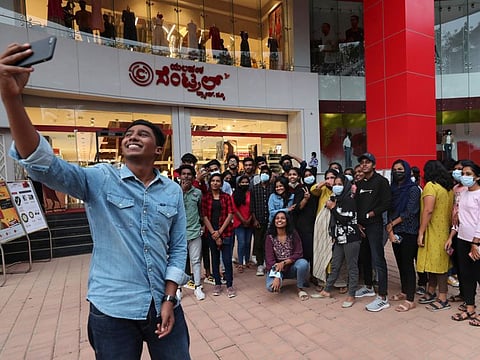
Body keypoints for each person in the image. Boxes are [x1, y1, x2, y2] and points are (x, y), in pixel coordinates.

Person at [0, 43, 190, 359]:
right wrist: (11, 99)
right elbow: (43, 163)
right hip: (113, 310)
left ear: (158, 150)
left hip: (164, 304)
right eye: (129, 134)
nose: (132, 136)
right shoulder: (100, 179)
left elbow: (178, 248)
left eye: (143, 134)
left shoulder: (171, 191)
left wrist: (170, 298)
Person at [316, 174, 361, 308]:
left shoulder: (349, 200)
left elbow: (344, 219)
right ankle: (327, 290)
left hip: (351, 238)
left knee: (352, 267)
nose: (336, 186)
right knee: (335, 264)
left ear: (346, 185)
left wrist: (333, 208)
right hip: (339, 239)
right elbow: (334, 221)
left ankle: (351, 295)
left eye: (340, 184)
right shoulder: (335, 199)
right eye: (334, 184)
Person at [355, 152, 392, 312]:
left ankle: (383, 296)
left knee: (378, 259)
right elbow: (356, 203)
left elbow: (386, 203)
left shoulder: (381, 182)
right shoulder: (361, 183)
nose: (364, 165)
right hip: (361, 227)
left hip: (375, 226)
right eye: (362, 162)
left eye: (367, 162)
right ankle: (368, 287)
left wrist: (371, 214)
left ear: (374, 165)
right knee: (364, 257)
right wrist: (357, 223)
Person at [445, 161, 480, 325]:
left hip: (476, 242)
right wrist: (451, 236)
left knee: (478, 275)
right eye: (463, 174)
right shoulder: (464, 193)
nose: (464, 177)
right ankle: (470, 308)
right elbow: (458, 218)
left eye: (468, 174)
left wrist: (476, 243)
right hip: (462, 239)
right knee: (466, 276)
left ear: (477, 177)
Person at [417, 160, 454, 312]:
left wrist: (421, 231)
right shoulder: (448, 189)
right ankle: (431, 291)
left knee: (439, 267)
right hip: (444, 230)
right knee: (433, 264)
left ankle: (443, 298)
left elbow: (428, 210)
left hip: (433, 232)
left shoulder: (431, 187)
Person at [386, 160, 421, 312]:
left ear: (406, 171)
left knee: (407, 264)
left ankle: (410, 299)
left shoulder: (413, 189)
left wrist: (392, 224)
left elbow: (410, 211)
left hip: (409, 230)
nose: (397, 172)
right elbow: (388, 209)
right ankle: (404, 291)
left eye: (400, 169)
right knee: (400, 263)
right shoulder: (392, 189)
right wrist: (391, 231)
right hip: (395, 231)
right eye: (394, 169)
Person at [201, 173, 236, 298]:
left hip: (226, 232)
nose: (215, 183)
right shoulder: (205, 198)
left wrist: (220, 232)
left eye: (218, 181)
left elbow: (230, 214)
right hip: (211, 233)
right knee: (214, 259)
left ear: (221, 183)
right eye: (213, 181)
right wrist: (213, 233)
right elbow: (204, 216)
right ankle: (217, 283)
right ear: (209, 183)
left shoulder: (226, 197)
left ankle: (230, 284)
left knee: (227, 260)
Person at [265, 211, 310, 301]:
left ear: (287, 221)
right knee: (271, 288)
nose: (279, 220)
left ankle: (299, 288)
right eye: (277, 218)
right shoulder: (269, 237)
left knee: (303, 263)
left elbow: (298, 253)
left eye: (282, 218)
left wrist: (284, 262)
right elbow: (270, 260)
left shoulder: (293, 234)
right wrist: (277, 275)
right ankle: (279, 280)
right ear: (274, 221)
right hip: (277, 268)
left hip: (291, 267)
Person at [178, 164, 206, 301]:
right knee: (179, 262)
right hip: (179, 234)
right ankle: (178, 288)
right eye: (184, 174)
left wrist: (202, 226)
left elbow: (201, 211)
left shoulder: (198, 193)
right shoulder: (175, 191)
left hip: (194, 232)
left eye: (189, 174)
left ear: (193, 176)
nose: (186, 176)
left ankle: (198, 287)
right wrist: (182, 191)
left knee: (195, 261)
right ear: (180, 176)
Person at [250, 165, 274, 276]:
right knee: (258, 243)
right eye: (262, 173)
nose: (264, 175)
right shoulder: (254, 188)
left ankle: (268, 263)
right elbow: (252, 206)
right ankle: (260, 264)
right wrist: (254, 220)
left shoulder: (273, 187)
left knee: (269, 242)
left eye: (266, 173)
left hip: (271, 220)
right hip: (258, 220)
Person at [232, 175, 253, 273]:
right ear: (239, 183)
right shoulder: (235, 194)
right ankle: (240, 263)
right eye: (242, 182)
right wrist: (243, 220)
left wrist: (249, 219)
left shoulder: (251, 193)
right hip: (239, 221)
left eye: (246, 182)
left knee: (248, 242)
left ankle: (247, 260)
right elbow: (234, 209)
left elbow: (253, 207)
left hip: (250, 221)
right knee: (242, 242)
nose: (244, 184)